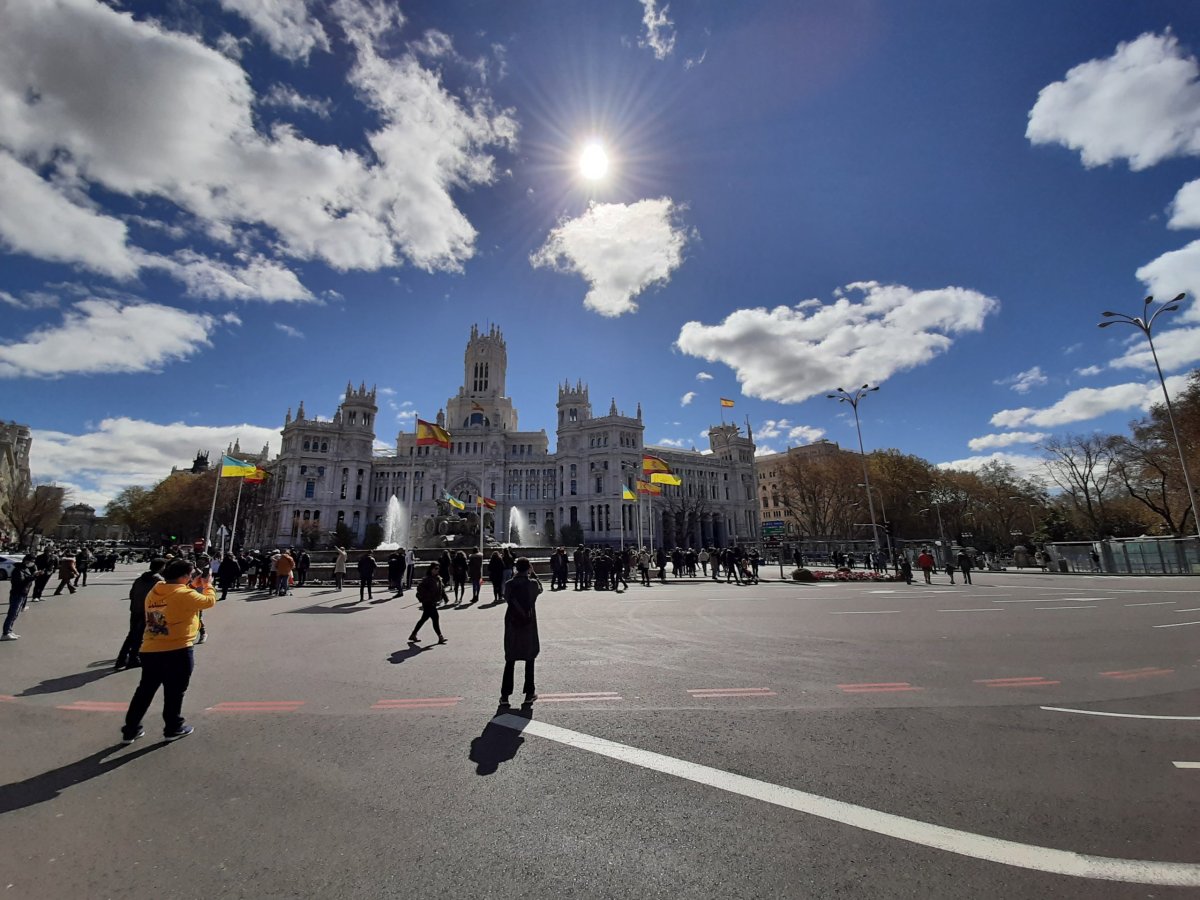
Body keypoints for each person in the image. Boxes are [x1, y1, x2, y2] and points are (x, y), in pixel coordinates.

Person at [121, 558, 216, 744]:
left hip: (151, 647)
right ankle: (173, 727)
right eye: (189, 575)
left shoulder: (156, 591)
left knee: (145, 691)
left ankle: (130, 729)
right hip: (178, 649)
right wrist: (208, 584)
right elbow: (209, 601)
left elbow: (180, 592)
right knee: (174, 692)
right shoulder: (185, 595)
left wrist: (193, 583)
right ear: (183, 577)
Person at [499, 557, 541, 707]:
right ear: (528, 567)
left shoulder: (509, 584)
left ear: (516, 568)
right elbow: (540, 590)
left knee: (510, 659)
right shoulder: (533, 584)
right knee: (529, 658)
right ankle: (529, 693)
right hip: (528, 623)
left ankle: (505, 695)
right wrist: (533, 574)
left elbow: (506, 597)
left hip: (512, 623)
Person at [116, 559, 165, 669]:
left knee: (132, 634)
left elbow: (131, 594)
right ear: (161, 567)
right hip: (149, 611)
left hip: (135, 609)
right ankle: (133, 658)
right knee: (143, 635)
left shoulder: (139, 579)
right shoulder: (159, 581)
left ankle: (121, 659)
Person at [408, 562, 447, 644]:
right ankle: (440, 637)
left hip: (432, 601)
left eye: (438, 569)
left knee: (423, 619)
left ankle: (413, 634)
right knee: (435, 618)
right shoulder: (427, 579)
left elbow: (441, 589)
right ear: (431, 569)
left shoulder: (438, 578)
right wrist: (427, 596)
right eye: (435, 568)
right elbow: (420, 589)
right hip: (428, 602)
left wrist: (445, 597)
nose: (437, 570)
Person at [2, 555, 35, 641]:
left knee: (15, 613)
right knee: (12, 613)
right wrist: (33, 577)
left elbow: (26, 579)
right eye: (31, 561)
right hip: (17, 593)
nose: (32, 563)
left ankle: (9, 631)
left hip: (22, 593)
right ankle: (5, 633)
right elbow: (20, 582)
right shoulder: (18, 570)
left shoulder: (25, 569)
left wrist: (34, 575)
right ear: (26, 561)